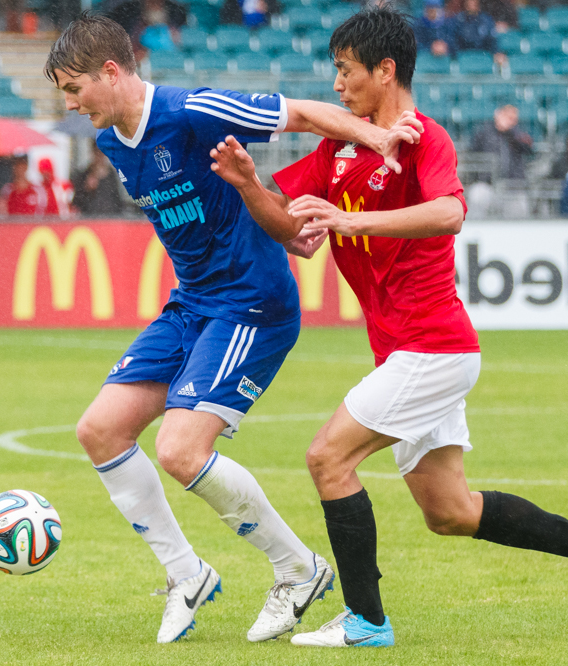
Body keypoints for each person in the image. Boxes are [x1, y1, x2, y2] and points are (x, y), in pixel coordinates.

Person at [209, 6, 568, 648]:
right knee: (451, 513)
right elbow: (297, 235)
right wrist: (249, 184)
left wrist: (351, 222)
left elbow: (448, 213)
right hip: (405, 353)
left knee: (328, 458)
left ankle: (366, 622)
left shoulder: (425, 139)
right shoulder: (339, 145)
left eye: (345, 70)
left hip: (432, 345)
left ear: (385, 71)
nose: (337, 84)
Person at [43, 12, 421, 644]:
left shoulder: (191, 110)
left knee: (179, 450)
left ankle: (298, 571)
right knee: (100, 430)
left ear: (111, 72)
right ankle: (185, 574)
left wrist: (374, 137)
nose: (70, 103)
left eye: (73, 88)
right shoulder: (112, 141)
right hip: (193, 304)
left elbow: (298, 112)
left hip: (251, 303)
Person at [467, 104, 533, 218]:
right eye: (508, 116)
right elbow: (473, 153)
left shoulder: (518, 134)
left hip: (512, 185)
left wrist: (511, 133)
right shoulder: (485, 133)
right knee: (477, 196)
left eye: (513, 118)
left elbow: (529, 150)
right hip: (487, 183)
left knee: (520, 209)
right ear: (498, 115)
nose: (510, 121)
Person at [433, 0, 506, 65]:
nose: (471, 3)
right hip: (462, 58)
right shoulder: (458, 20)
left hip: (483, 58)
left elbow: (492, 40)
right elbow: (452, 39)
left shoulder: (486, 20)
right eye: (469, 1)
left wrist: (496, 52)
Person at [71, 149, 125, 217]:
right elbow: (77, 202)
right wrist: (86, 189)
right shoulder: (85, 175)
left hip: (110, 218)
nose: (100, 156)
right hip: (90, 218)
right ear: (93, 154)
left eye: (102, 153)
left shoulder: (112, 175)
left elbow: (117, 200)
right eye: (97, 153)